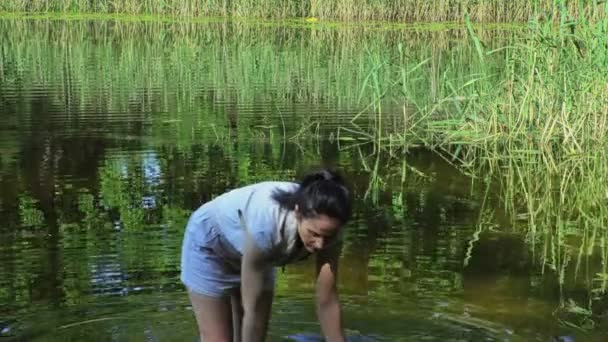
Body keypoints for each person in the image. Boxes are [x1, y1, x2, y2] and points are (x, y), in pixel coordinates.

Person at [179, 169, 353, 342]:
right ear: (298, 212)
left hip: (255, 252)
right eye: (314, 234)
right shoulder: (267, 227)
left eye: (328, 237)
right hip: (210, 245)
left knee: (252, 333)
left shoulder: (333, 231)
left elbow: (327, 300)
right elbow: (253, 312)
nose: (321, 244)